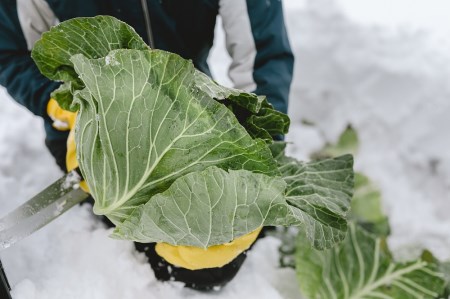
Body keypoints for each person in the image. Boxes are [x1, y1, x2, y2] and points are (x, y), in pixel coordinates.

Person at [0, 0, 294, 291]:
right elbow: (8, 49)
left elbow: (263, 52)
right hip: (97, 133)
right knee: (163, 251)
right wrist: (56, 101)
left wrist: (259, 153)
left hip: (193, 123)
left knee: (218, 255)